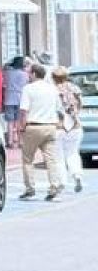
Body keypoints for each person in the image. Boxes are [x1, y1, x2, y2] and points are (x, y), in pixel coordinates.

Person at [17, 63, 65, 200]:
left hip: (33, 126)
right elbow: (59, 109)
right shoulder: (52, 89)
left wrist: (22, 127)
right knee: (51, 160)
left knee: (27, 159)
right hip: (50, 126)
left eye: (29, 73)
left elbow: (24, 110)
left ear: (34, 74)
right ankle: (54, 187)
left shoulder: (28, 89)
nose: (28, 75)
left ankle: (30, 189)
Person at [53, 66, 85, 195]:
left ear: (54, 78)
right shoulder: (75, 88)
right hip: (75, 124)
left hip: (59, 125)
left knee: (58, 156)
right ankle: (77, 175)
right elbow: (81, 104)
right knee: (73, 153)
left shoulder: (53, 90)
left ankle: (61, 181)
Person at [3, 56, 30, 147]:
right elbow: (26, 84)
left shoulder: (7, 73)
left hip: (9, 98)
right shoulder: (24, 74)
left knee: (10, 121)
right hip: (20, 98)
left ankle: (10, 141)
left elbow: (4, 83)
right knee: (19, 121)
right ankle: (20, 141)